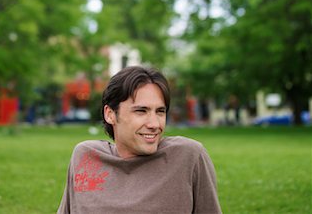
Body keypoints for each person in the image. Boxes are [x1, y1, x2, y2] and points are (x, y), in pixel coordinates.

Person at [57, 66, 222, 214]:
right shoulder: (86, 156)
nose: (154, 124)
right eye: (141, 111)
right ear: (110, 114)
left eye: (160, 111)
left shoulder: (188, 156)